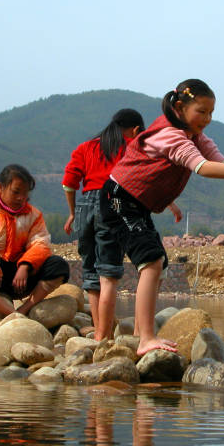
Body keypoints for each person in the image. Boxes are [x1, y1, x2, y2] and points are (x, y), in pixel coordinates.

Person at [101, 78, 224, 355]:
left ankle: (139, 332)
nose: (206, 119)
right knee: (151, 261)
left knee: (160, 265)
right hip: (118, 199)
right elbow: (203, 167)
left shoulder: (194, 135)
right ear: (181, 107)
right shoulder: (170, 135)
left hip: (136, 204)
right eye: (202, 112)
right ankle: (146, 339)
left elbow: (218, 159)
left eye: (211, 113)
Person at [62, 109, 149, 339]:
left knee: (90, 271)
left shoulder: (86, 147)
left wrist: (72, 213)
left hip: (85, 205)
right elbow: (144, 179)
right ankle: (103, 336)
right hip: (112, 203)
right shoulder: (132, 146)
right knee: (108, 272)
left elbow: (69, 183)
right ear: (136, 130)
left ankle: (101, 329)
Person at [0, 164, 70, 317]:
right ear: (0, 187)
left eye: (25, 194)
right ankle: (10, 312)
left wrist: (25, 266)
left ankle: (26, 307)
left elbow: (41, 244)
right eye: (16, 192)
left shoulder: (33, 216)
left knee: (58, 266)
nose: (21, 198)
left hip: (20, 277)